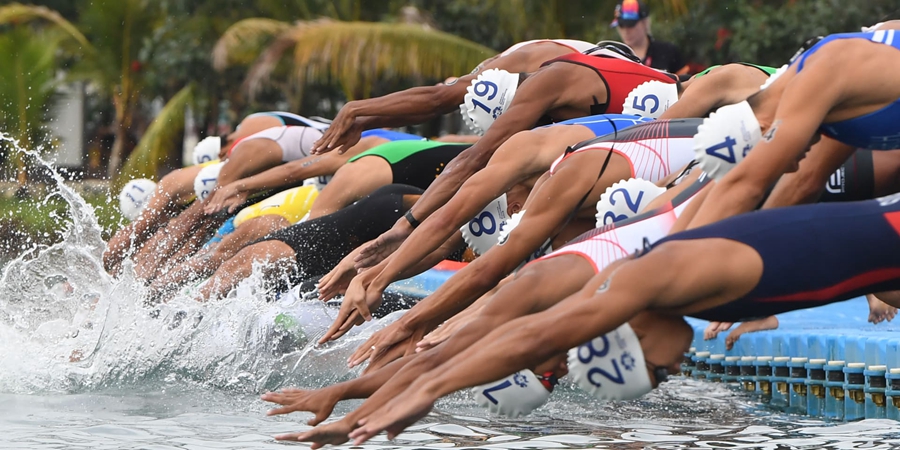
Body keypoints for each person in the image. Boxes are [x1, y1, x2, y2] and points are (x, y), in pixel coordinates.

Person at [341, 189, 900, 446]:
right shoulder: (672, 290)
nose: (672, 368)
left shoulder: (645, 281)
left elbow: (500, 334)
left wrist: (391, 391)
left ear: (634, 334)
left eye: (656, 370)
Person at [326, 119, 701, 364]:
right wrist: (380, 277)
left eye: (514, 208)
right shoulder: (561, 186)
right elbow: (496, 267)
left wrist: (409, 322)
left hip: (701, 155)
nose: (516, 208)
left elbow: (495, 266)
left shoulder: (557, 172)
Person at [349, 45, 678, 278]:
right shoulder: (554, 136)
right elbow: (452, 234)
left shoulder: (541, 110)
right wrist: (380, 273)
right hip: (642, 142)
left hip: (667, 140)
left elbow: (469, 160)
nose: (512, 210)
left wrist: (403, 230)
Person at [147, 141, 472, 296]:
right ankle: (155, 294)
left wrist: (240, 185)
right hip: (350, 215)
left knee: (229, 263)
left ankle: (153, 293)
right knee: (237, 264)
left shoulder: (370, 159)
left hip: (369, 214)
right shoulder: (366, 166)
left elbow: (297, 171)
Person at [312, 39, 600, 154]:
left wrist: (356, 110)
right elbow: (438, 104)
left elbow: (438, 100)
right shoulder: (534, 62)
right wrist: (366, 120)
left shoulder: (520, 61)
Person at [612, 0, 687, 74]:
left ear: (645, 23)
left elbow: (688, 82)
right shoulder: (615, 57)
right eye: (621, 25)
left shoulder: (668, 52)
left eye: (630, 25)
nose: (626, 31)